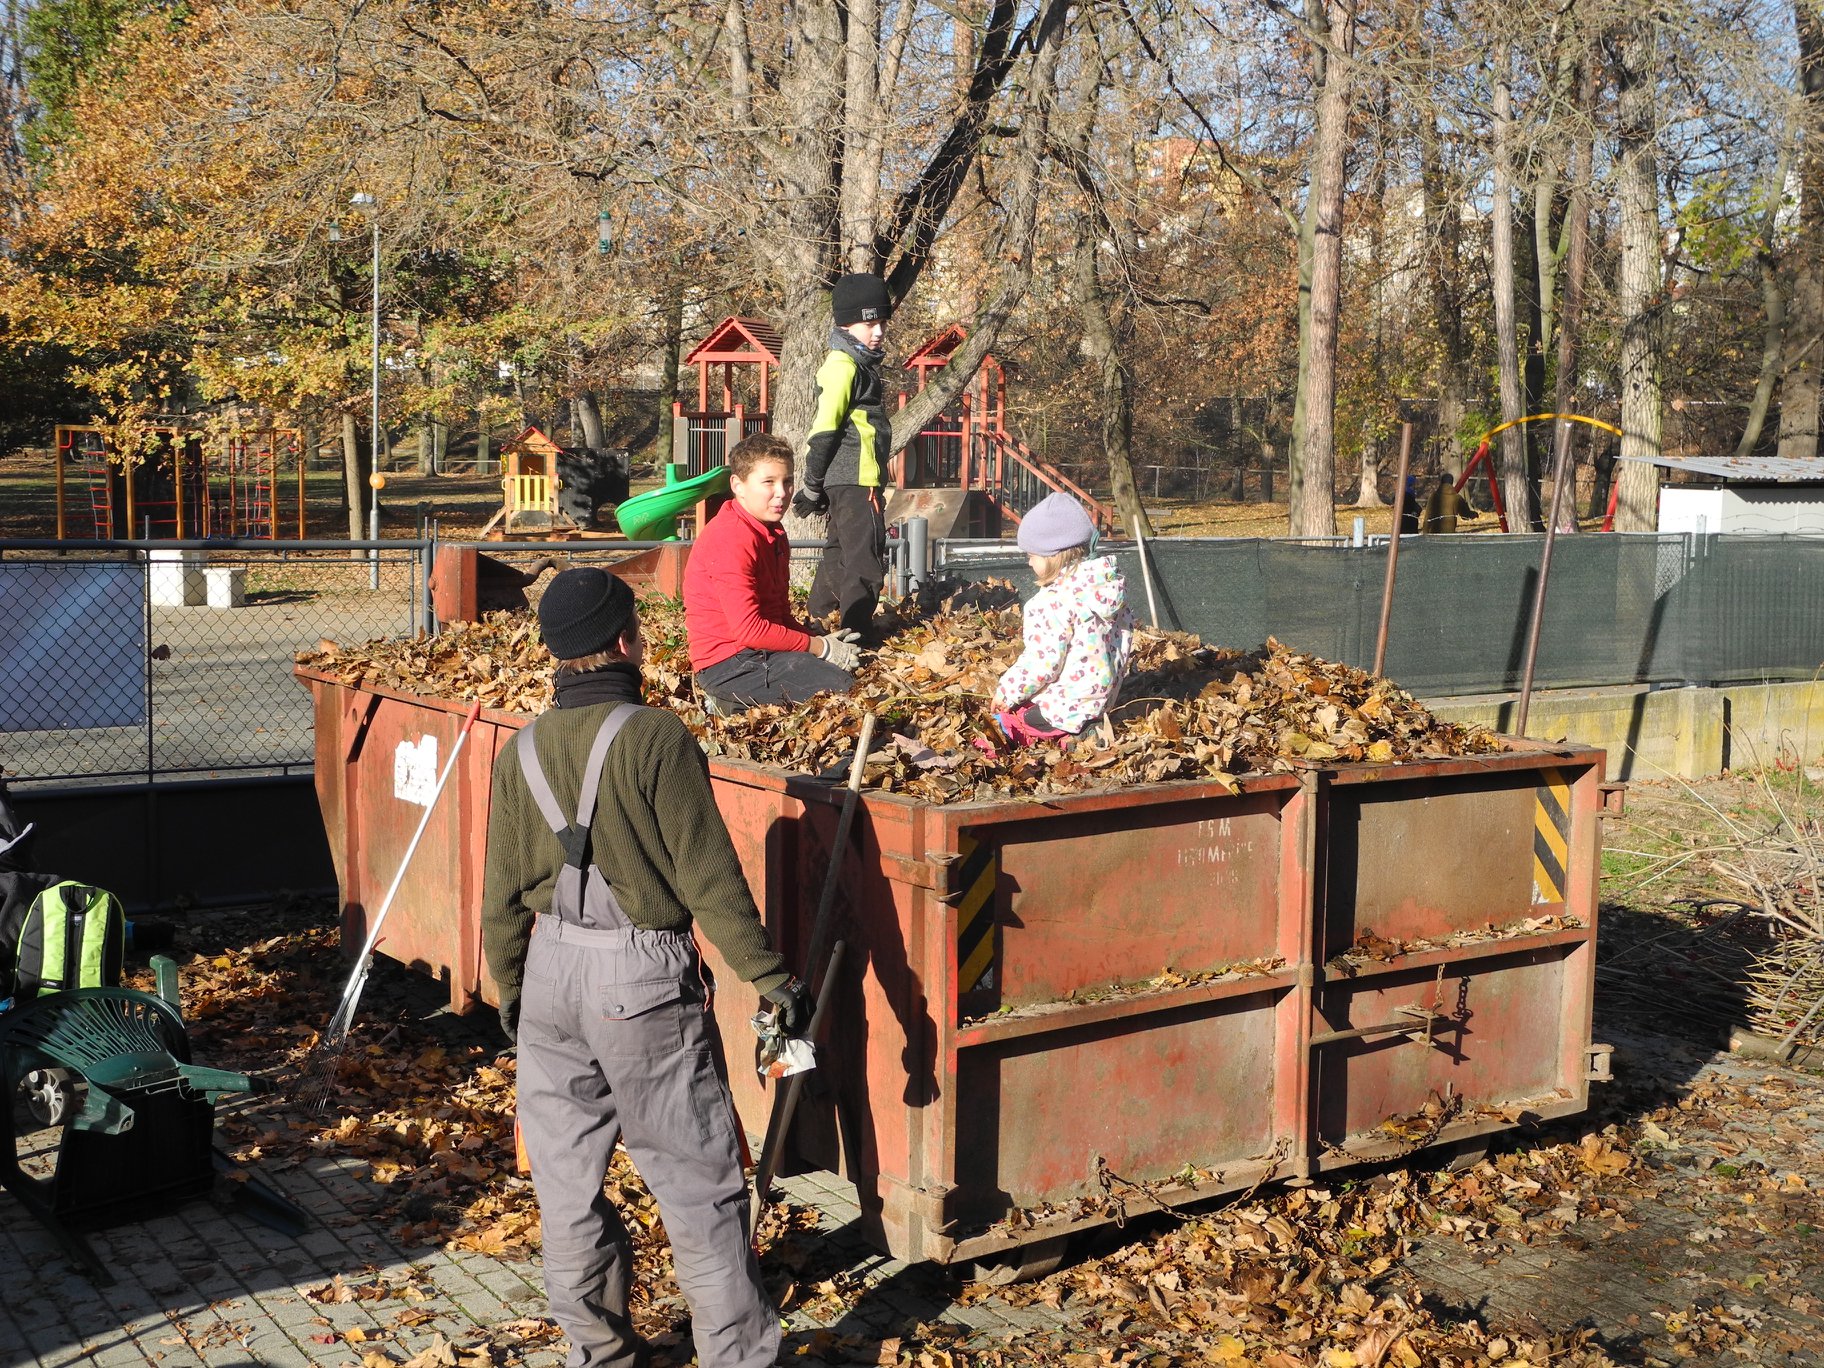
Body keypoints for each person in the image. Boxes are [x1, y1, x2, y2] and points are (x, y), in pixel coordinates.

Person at [482, 566, 812, 1368]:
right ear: (627, 641)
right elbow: (710, 882)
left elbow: (497, 898)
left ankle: (596, 1354)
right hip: (639, 978)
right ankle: (739, 1358)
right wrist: (771, 979)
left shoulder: (518, 750)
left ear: (557, 653)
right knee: (696, 1182)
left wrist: (515, 995)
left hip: (550, 975)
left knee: (563, 1188)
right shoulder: (656, 737)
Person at [686, 433, 862, 712]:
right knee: (840, 690)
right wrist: (819, 648)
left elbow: (778, 616)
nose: (782, 492)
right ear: (738, 485)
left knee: (847, 675)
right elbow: (750, 630)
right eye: (768, 482)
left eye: (787, 481)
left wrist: (819, 641)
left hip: (760, 653)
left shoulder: (774, 532)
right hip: (728, 664)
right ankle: (726, 703)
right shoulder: (731, 537)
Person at [792, 272, 892, 639]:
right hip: (855, 477)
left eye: (882, 322)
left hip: (846, 478)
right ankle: (856, 636)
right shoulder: (844, 365)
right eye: (870, 323)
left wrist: (819, 486)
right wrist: (812, 485)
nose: (878, 331)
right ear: (847, 323)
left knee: (837, 552)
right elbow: (825, 428)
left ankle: (819, 624)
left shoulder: (856, 363)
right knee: (866, 557)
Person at [990, 492, 1135, 746]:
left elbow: (1042, 663)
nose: (1029, 563)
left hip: (1067, 705)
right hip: (1102, 700)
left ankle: (1068, 734)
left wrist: (1007, 691)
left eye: (1031, 556)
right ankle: (1086, 727)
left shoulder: (1052, 602)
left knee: (1017, 716)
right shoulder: (1105, 588)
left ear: (1052, 556)